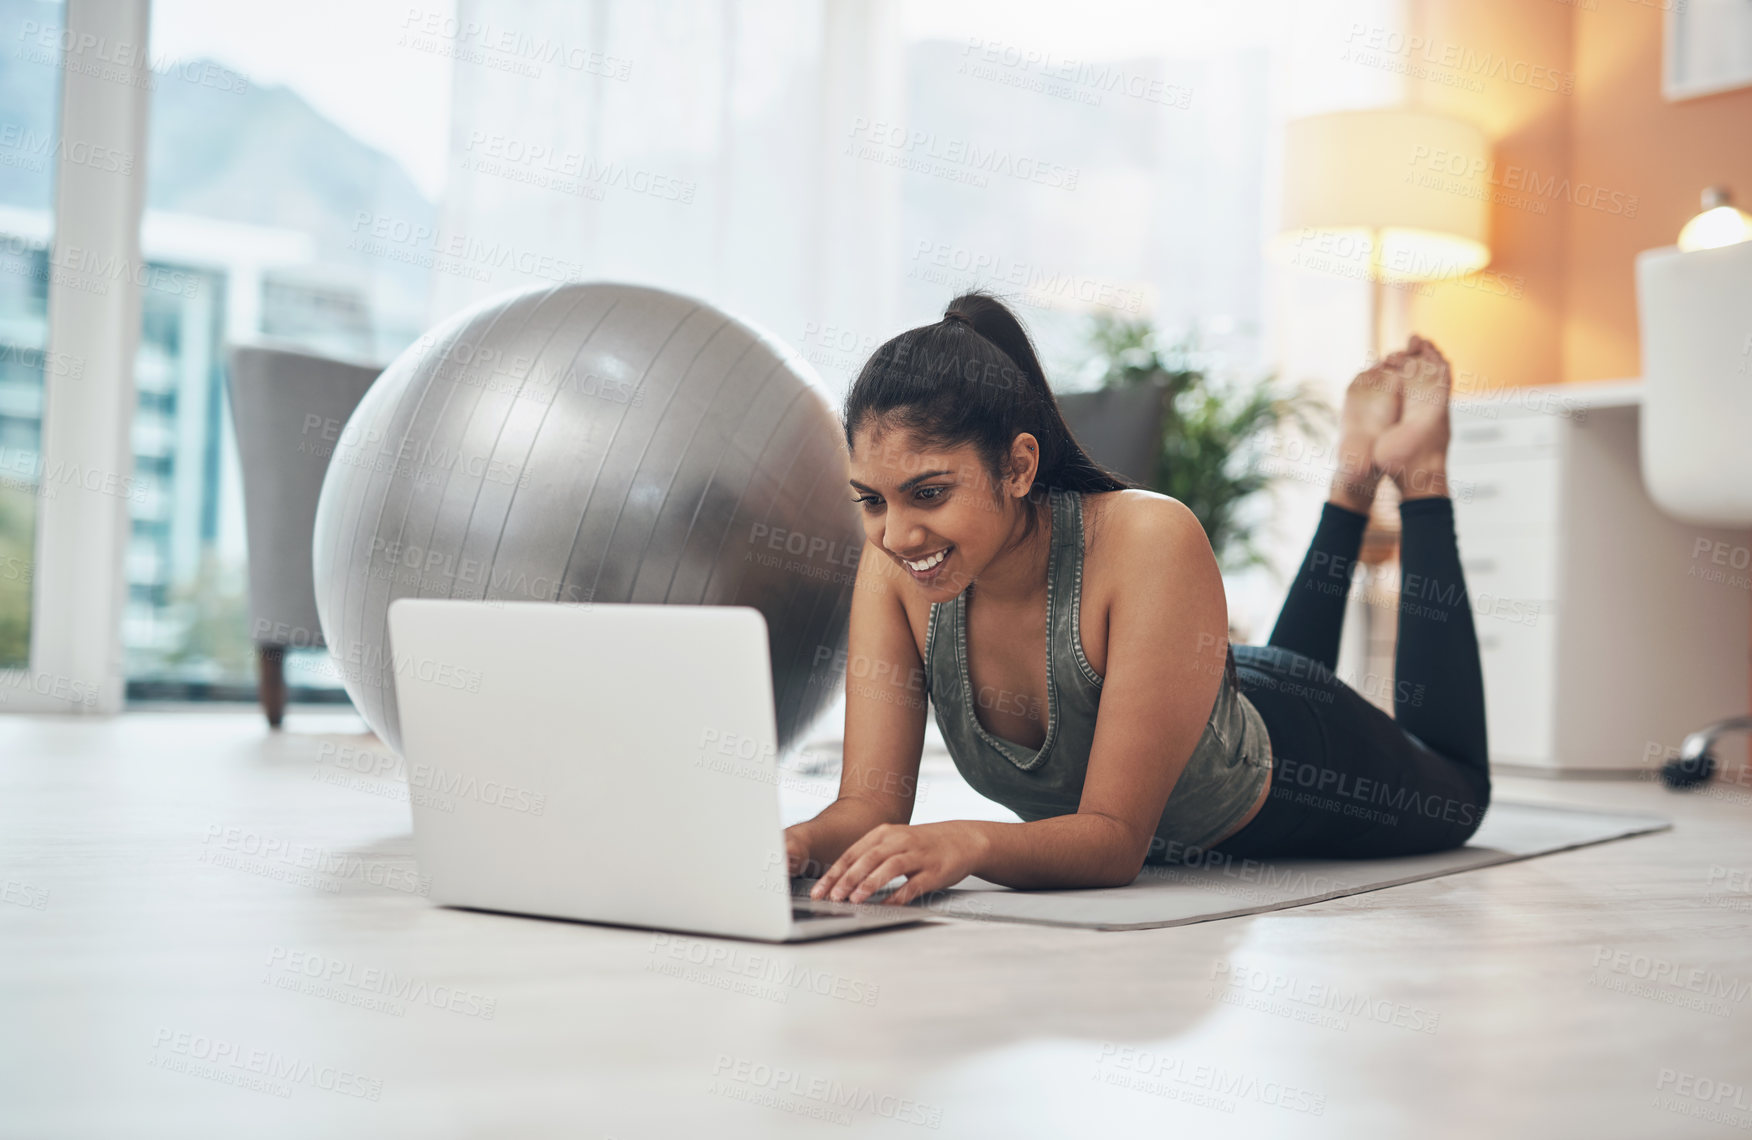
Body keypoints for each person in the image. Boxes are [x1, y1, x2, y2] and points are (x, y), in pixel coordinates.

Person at [786, 291, 1490, 906]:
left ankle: (1415, 473)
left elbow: (1115, 843)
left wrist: (969, 843)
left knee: (1458, 791)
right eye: (871, 500)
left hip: (1294, 751)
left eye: (929, 493)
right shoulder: (896, 569)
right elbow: (867, 806)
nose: (898, 533)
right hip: (1195, 691)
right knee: (1255, 679)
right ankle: (1354, 480)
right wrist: (794, 843)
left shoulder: (1149, 537)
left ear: (1019, 466)